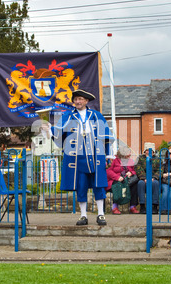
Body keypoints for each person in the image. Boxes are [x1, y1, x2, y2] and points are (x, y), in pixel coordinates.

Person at [49, 89, 115, 226]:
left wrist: (108, 154)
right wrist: (48, 129)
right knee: (81, 185)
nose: (77, 102)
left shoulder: (96, 115)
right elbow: (58, 132)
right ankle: (83, 215)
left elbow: (106, 137)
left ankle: (101, 214)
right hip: (77, 158)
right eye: (75, 99)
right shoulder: (68, 116)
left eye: (80, 99)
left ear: (86, 101)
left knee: (99, 185)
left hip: (96, 155)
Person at [106, 145, 139, 214]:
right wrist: (117, 177)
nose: (129, 156)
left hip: (127, 180)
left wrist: (131, 172)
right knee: (118, 186)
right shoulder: (115, 161)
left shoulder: (130, 161)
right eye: (127, 155)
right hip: (116, 180)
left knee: (135, 185)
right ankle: (114, 207)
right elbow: (108, 171)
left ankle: (132, 206)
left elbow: (134, 171)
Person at [135, 142, 160, 214]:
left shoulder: (157, 159)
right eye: (147, 150)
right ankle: (142, 206)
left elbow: (160, 170)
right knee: (140, 183)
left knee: (155, 183)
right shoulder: (140, 158)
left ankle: (155, 206)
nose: (148, 152)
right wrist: (144, 178)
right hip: (144, 179)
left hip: (153, 179)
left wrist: (153, 178)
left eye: (150, 151)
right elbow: (138, 169)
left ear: (153, 152)